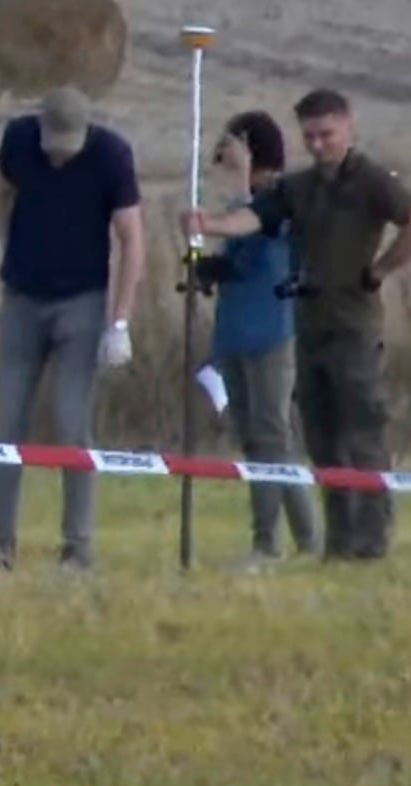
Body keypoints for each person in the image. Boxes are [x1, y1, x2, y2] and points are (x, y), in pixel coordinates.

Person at [182, 88, 411, 561]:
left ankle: (370, 542)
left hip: (354, 328)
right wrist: (209, 224)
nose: (319, 144)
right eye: (309, 136)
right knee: (321, 439)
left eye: (326, 134)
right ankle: (338, 541)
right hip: (308, 327)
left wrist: (383, 269)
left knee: (360, 435)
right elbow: (255, 218)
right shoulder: (299, 188)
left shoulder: (371, 180)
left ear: (348, 127)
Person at [0, 85, 145, 570]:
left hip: (82, 304)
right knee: (4, 424)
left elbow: (131, 239)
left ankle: (77, 547)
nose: (57, 154)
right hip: (23, 300)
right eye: (52, 143)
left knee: (73, 426)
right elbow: (3, 196)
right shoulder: (17, 140)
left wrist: (119, 321)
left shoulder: (111, 156)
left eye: (67, 145)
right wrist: (11, 252)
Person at [196, 110, 318, 562]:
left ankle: (268, 544)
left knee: (272, 438)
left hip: (271, 332)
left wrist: (243, 179)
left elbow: (262, 235)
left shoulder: (281, 199)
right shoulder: (242, 200)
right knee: (258, 440)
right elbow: (241, 258)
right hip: (236, 331)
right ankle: (306, 541)